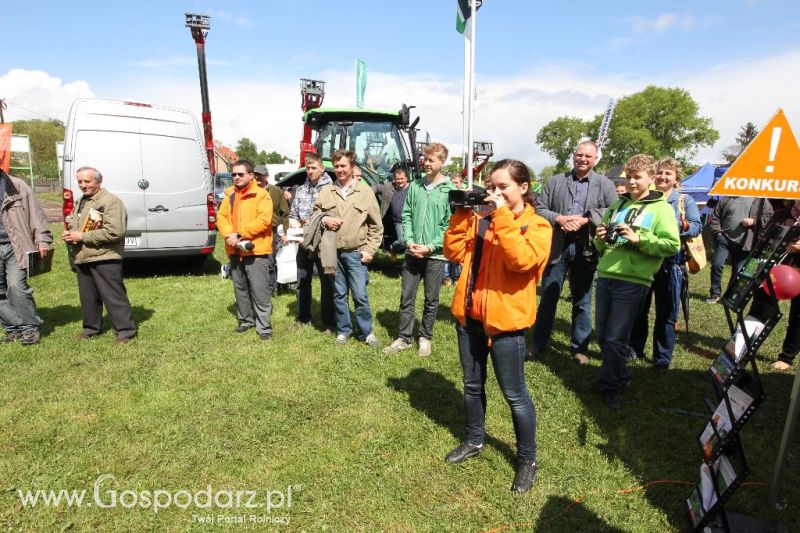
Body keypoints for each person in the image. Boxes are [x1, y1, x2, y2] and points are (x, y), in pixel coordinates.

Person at [443, 159, 552, 493]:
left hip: (506, 323)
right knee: (472, 385)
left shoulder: (539, 227)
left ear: (523, 187)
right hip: (471, 314)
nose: (495, 193)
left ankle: (527, 460)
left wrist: (501, 215)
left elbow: (521, 261)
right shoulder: (483, 220)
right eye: (492, 186)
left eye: (503, 186)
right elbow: (452, 251)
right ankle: (475, 440)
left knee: (515, 394)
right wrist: (463, 214)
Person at [592, 155, 680, 409]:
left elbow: (671, 245)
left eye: (637, 177)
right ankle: (621, 376)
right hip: (607, 273)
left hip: (634, 279)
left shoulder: (661, 208)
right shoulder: (618, 204)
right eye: (628, 177)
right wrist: (600, 237)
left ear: (651, 179)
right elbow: (602, 242)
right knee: (602, 335)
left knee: (616, 337)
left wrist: (639, 240)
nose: (631, 182)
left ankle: (610, 386)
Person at [531, 141, 618, 364]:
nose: (583, 159)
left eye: (588, 156)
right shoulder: (555, 181)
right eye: (579, 155)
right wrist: (559, 219)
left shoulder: (605, 184)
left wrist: (586, 220)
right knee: (548, 297)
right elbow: (539, 209)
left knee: (582, 299)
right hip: (557, 246)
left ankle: (580, 348)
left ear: (595, 158)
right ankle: (538, 343)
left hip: (586, 247)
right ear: (573, 156)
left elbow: (614, 211)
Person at [630, 158, 702, 373]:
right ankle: (634, 349)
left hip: (671, 265)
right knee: (639, 309)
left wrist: (671, 226)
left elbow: (697, 227)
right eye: (660, 172)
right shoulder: (646, 197)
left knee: (667, 314)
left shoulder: (684, 201)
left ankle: (662, 358)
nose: (663, 177)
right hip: (645, 259)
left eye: (668, 174)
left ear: (675, 178)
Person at [383, 143, 455, 357]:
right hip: (413, 252)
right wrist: (411, 241)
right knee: (407, 296)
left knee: (431, 300)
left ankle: (425, 337)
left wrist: (430, 246)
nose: (426, 162)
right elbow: (406, 215)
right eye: (425, 158)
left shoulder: (449, 190)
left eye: (431, 159)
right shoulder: (415, 186)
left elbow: (449, 224)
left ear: (442, 162)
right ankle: (404, 337)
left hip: (435, 255)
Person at [315, 149, 383, 347]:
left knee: (360, 295)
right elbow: (316, 215)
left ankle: (366, 332)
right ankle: (343, 330)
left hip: (356, 253)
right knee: (339, 294)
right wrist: (325, 218)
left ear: (352, 167)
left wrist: (369, 251)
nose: (339, 170)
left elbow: (376, 226)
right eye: (336, 166)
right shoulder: (327, 191)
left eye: (343, 166)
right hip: (333, 253)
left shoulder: (365, 192)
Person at [62, 167, 137, 344]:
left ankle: (125, 331)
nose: (83, 185)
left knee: (113, 296)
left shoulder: (111, 202)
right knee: (88, 297)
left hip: (105, 257)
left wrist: (82, 236)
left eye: (87, 181)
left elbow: (115, 231)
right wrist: (70, 234)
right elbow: (78, 225)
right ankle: (91, 328)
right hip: (83, 256)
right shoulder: (81, 201)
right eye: (80, 181)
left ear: (98, 181)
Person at [216, 160, 274, 340]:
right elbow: (222, 217)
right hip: (235, 249)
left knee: (259, 290)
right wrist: (229, 235)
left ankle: (264, 326)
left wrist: (240, 234)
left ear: (251, 175)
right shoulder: (229, 195)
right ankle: (245, 320)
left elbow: (264, 220)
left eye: (240, 174)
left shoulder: (262, 195)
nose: (237, 177)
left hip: (255, 250)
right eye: (234, 174)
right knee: (240, 287)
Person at [0, 168, 52, 345]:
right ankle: (13, 327)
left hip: (16, 246)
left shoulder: (17, 186)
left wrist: (43, 240)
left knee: (16, 287)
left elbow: (36, 215)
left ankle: (30, 327)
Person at [290, 153, 335, 331]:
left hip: (323, 243)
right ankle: (303, 317)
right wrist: (296, 229)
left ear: (322, 168)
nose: (310, 171)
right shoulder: (300, 189)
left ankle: (328, 321)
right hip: (302, 243)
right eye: (308, 168)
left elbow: (333, 216)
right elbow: (293, 215)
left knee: (327, 282)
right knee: (302, 280)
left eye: (314, 168)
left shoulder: (331, 189)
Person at [706, 195, 773, 304]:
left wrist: (754, 221)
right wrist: (718, 233)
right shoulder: (729, 198)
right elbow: (715, 217)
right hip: (724, 239)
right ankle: (715, 293)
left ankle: (728, 297)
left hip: (746, 243)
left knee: (739, 271)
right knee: (717, 264)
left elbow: (769, 217)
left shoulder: (761, 199)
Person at [254, 165, 289, 295]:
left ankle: (271, 287)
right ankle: (258, 286)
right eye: (255, 175)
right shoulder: (250, 191)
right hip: (254, 231)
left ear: (266, 177)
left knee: (270, 260)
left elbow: (285, 213)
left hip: (271, 231)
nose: (257, 178)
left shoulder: (276, 192)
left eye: (260, 176)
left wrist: (286, 232)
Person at [372, 166, 410, 257]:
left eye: (402, 179)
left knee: (409, 243)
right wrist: (368, 192)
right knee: (402, 241)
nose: (400, 181)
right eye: (397, 179)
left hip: (410, 220)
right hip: (398, 222)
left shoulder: (412, 188)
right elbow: (377, 187)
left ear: (406, 178)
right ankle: (393, 247)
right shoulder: (389, 187)